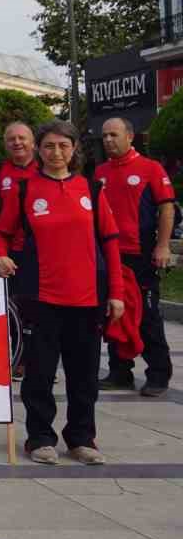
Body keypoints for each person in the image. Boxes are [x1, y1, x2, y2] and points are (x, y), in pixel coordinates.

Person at [0, 121, 129, 465]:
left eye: (63, 146)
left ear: (74, 149)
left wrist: (117, 292)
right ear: (39, 149)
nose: (56, 153)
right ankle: (39, 438)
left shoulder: (91, 189)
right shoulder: (24, 190)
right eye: (49, 146)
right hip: (41, 296)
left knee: (84, 375)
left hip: (87, 298)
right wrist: (0, 256)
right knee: (39, 373)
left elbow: (110, 243)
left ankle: (81, 438)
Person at [94, 117, 175, 396]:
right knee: (114, 314)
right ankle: (119, 373)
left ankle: (158, 374)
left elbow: (166, 209)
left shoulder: (150, 169)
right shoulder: (99, 172)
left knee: (148, 316)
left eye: (113, 135)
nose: (108, 140)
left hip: (140, 255)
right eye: (104, 136)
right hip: (108, 256)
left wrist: (162, 246)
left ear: (130, 136)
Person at [0, 121, 40, 376]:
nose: (17, 143)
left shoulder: (44, 168)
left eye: (22, 138)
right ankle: (18, 357)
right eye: (11, 139)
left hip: (40, 250)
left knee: (39, 308)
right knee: (13, 306)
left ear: (33, 142)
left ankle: (39, 358)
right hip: (10, 250)